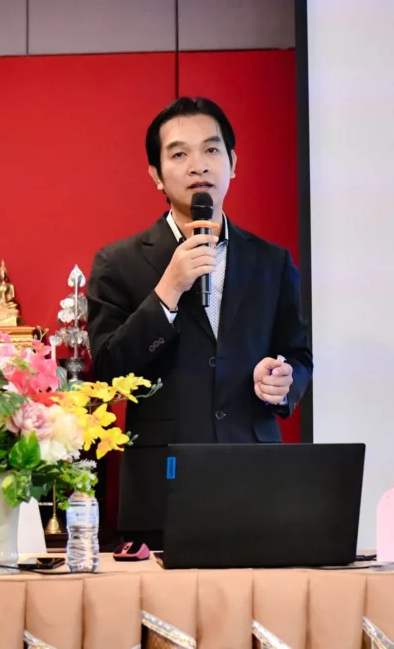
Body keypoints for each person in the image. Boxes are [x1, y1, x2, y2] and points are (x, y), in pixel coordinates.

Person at [86, 96, 313, 548]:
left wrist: (284, 379)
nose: (198, 165)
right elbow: (108, 370)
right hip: (161, 484)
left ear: (233, 163)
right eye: (179, 154)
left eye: (211, 150)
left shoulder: (271, 261)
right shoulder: (118, 263)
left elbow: (298, 355)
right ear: (155, 174)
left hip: (254, 476)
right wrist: (167, 291)